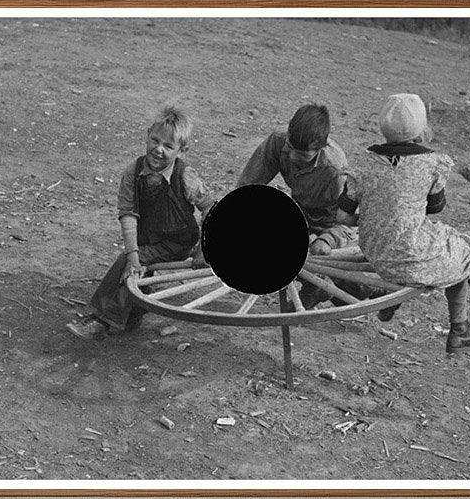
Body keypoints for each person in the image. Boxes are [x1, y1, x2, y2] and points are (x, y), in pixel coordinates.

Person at [342, 93, 470, 378]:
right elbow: (436, 207)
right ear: (420, 129)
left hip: (376, 252)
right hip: (411, 253)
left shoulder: (366, 163)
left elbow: (341, 217)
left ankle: (460, 330)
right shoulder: (431, 163)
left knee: (453, 249)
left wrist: (375, 218)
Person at [67, 105, 211, 339]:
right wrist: (134, 253)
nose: (159, 150)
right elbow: (127, 214)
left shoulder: (186, 176)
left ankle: (101, 321)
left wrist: (203, 249)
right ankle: (132, 312)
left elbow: (210, 209)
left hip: (177, 241)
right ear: (147, 135)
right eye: (155, 141)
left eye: (168, 146)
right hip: (148, 237)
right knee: (133, 259)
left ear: (181, 150)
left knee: (130, 261)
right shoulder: (133, 172)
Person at [236, 103, 359, 255]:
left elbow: (348, 222)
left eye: (302, 155)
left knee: (320, 250)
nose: (292, 156)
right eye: (289, 147)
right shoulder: (278, 141)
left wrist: (328, 239)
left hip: (329, 226)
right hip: (299, 213)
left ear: (321, 147)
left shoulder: (334, 170)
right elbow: (246, 188)